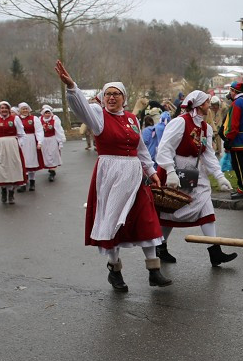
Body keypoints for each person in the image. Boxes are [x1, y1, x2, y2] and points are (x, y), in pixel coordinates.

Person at [55, 60, 171, 291]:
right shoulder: (98, 116)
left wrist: (151, 171)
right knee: (112, 222)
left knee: (146, 219)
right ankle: (115, 270)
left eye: (116, 94)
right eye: (108, 94)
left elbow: (141, 149)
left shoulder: (130, 118)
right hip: (111, 174)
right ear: (102, 97)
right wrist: (72, 88)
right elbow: (82, 109)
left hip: (135, 175)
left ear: (124, 97)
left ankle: (154, 270)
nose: (111, 97)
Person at [154, 90, 237, 266]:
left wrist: (220, 176)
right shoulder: (179, 123)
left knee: (205, 205)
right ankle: (160, 248)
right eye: (207, 103)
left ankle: (215, 252)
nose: (210, 105)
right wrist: (169, 171)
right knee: (169, 209)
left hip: (194, 171)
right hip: (175, 170)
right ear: (199, 105)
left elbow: (207, 154)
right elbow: (164, 148)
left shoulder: (205, 127)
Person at [224, 81, 243, 199]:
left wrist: (229, 139)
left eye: (231, 90)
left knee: (239, 166)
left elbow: (233, 124)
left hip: (238, 140)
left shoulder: (237, 104)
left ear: (234, 91)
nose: (230, 93)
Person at [16, 102, 45, 193]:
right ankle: (23, 183)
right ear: (19, 110)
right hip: (20, 141)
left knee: (31, 161)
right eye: (23, 109)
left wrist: (39, 142)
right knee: (22, 161)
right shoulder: (16, 119)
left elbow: (39, 131)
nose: (25, 110)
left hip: (31, 141)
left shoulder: (34, 119)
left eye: (26, 109)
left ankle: (32, 182)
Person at [38, 104, 66, 181]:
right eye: (45, 113)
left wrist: (60, 141)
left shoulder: (54, 119)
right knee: (46, 154)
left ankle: (52, 171)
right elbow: (38, 131)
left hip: (52, 139)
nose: (47, 114)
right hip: (44, 140)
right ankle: (50, 168)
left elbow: (58, 130)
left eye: (48, 112)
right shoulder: (39, 119)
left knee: (53, 154)